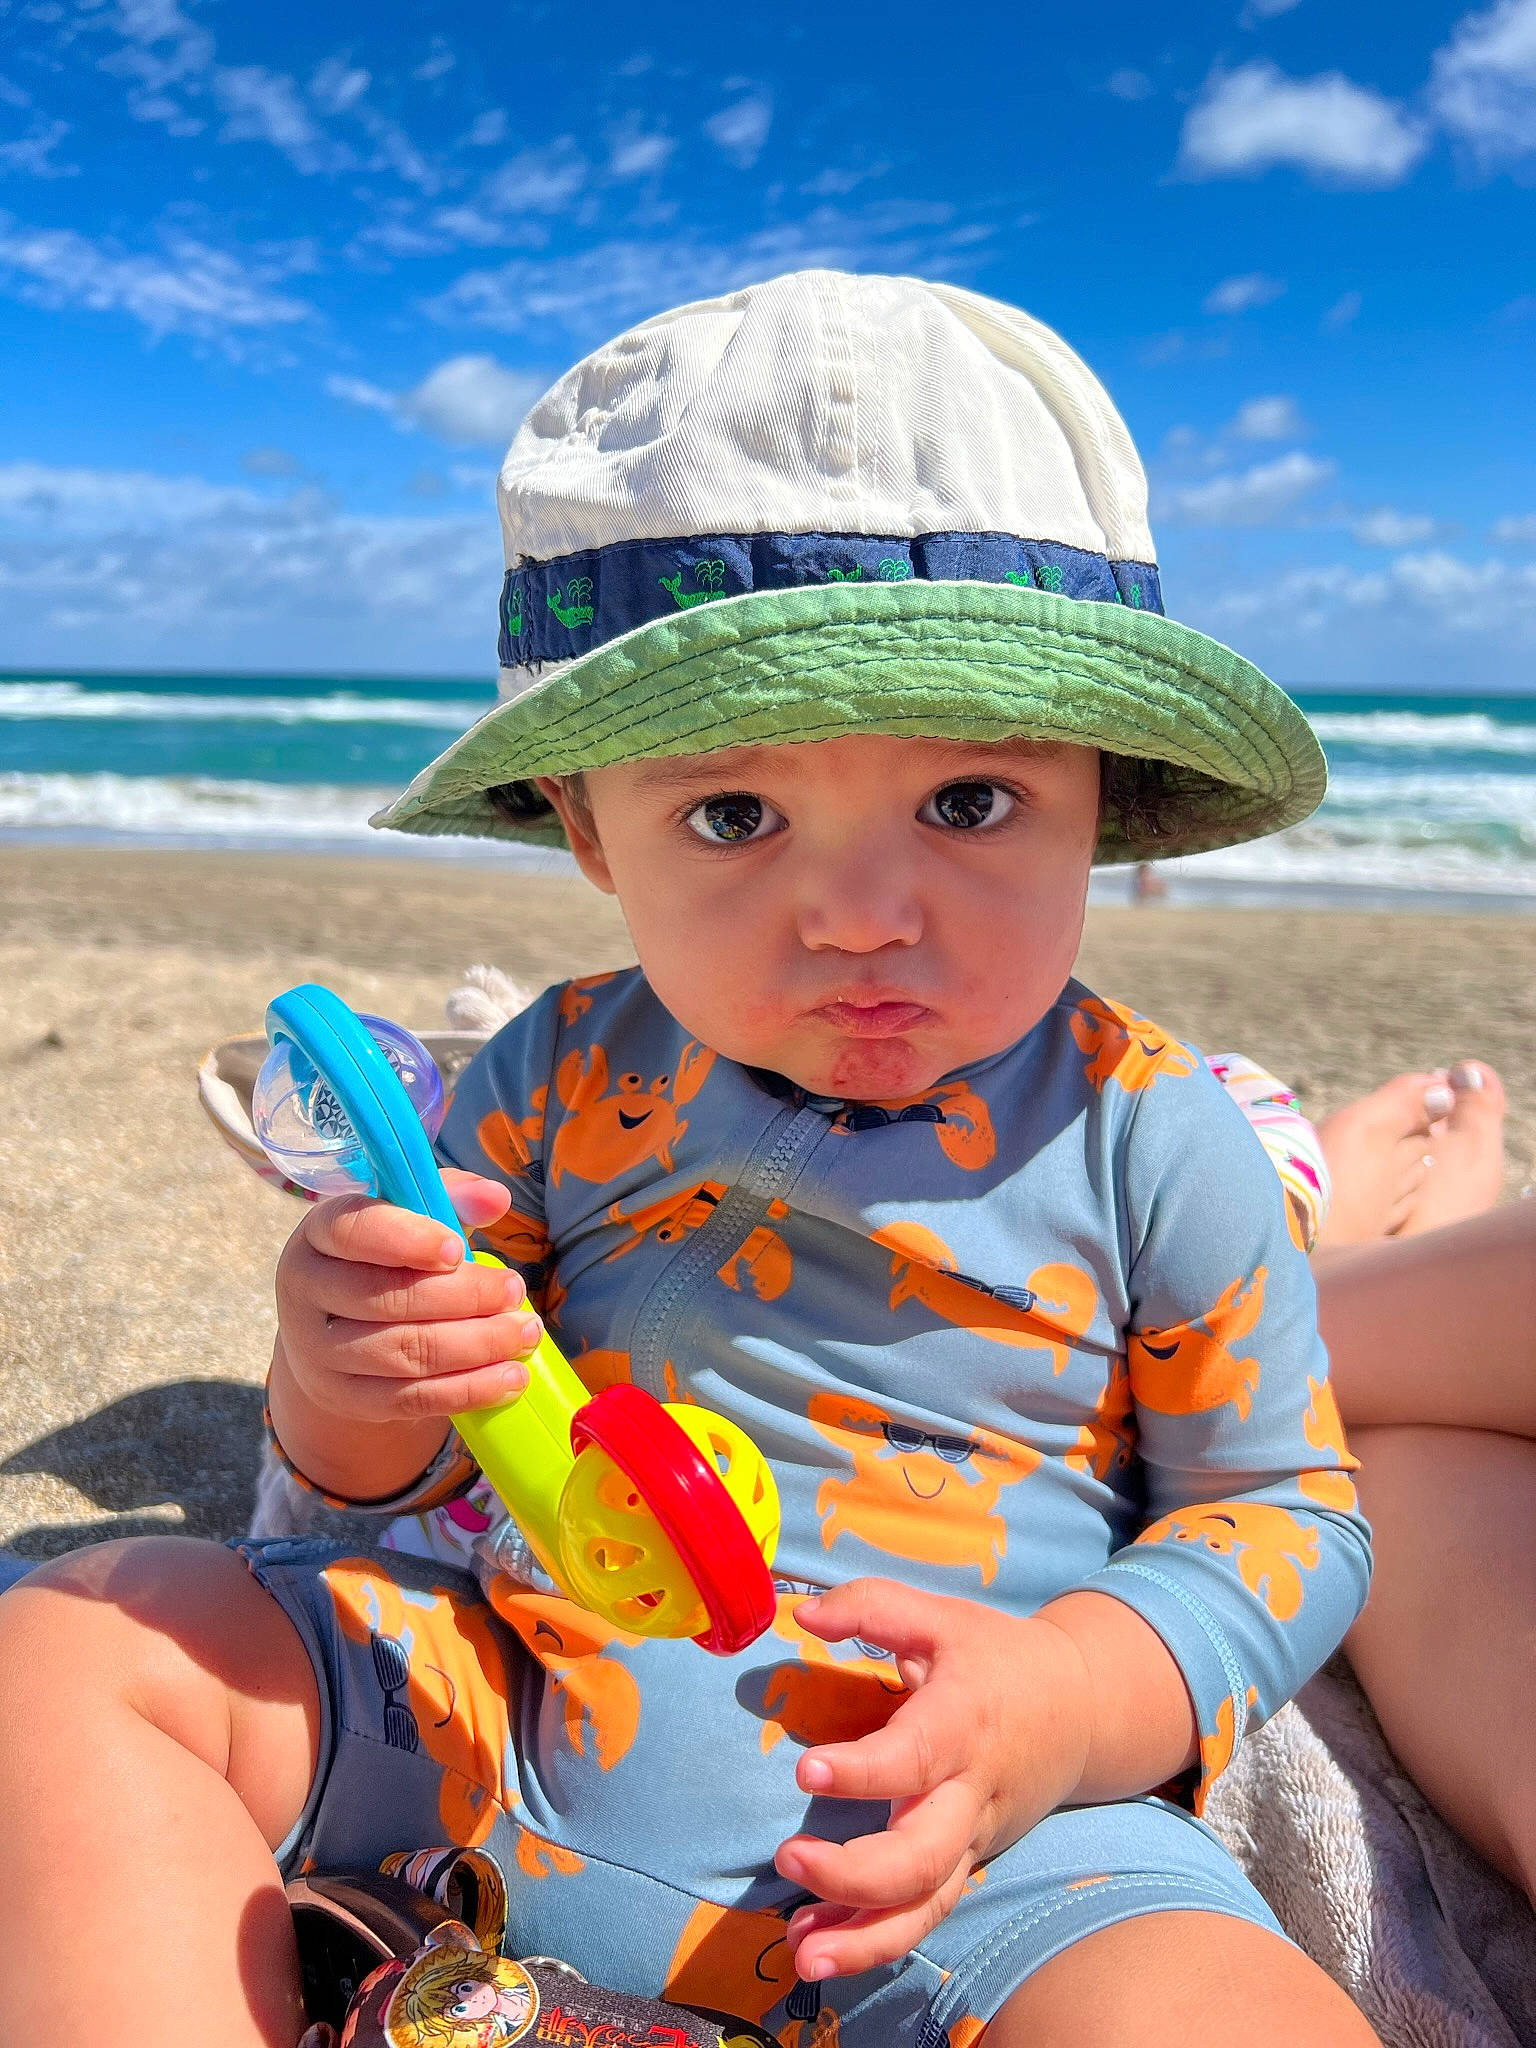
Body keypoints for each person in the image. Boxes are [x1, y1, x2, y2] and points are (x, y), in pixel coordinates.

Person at [0, 273, 1382, 2047]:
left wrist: (1065, 1700)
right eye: (734, 815)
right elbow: (394, 1481)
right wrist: (353, 1374)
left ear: (1100, 798)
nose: (866, 918)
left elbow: (1282, 1512)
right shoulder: (557, 1073)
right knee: (78, 1643)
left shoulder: (1146, 1127)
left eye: (972, 803)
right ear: (587, 832)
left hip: (967, 1845)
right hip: (485, 1717)